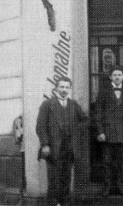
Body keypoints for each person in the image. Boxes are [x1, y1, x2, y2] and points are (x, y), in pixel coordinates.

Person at [36, 77, 88, 206]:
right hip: (53, 148)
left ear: (70, 89)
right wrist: (45, 144)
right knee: (54, 180)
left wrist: (76, 130)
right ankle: (53, 204)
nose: (64, 90)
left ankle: (65, 203)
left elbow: (85, 120)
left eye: (67, 87)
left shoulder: (73, 105)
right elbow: (40, 126)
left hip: (70, 149)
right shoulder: (48, 104)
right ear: (56, 88)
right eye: (62, 87)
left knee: (66, 179)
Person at [95, 65, 123, 196]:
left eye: (119, 75)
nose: (117, 77)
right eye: (114, 75)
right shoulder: (103, 92)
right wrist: (100, 131)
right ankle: (107, 187)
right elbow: (98, 113)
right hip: (108, 133)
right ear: (110, 77)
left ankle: (121, 186)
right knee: (107, 162)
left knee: (122, 162)